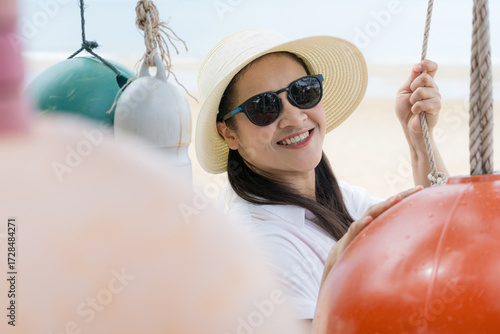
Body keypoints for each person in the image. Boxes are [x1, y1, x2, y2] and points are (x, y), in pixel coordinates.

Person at [195, 28, 448, 326]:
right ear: (228, 132)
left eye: (303, 91)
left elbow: (438, 229)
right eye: (263, 107)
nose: (294, 118)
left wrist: (419, 140)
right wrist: (333, 274)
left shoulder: (334, 198)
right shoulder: (262, 245)